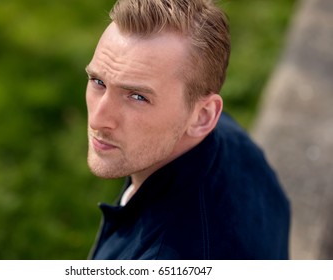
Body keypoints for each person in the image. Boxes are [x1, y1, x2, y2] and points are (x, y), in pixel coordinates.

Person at [85, 0, 290, 259]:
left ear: (203, 116)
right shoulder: (228, 139)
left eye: (137, 97)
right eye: (98, 81)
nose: (98, 119)